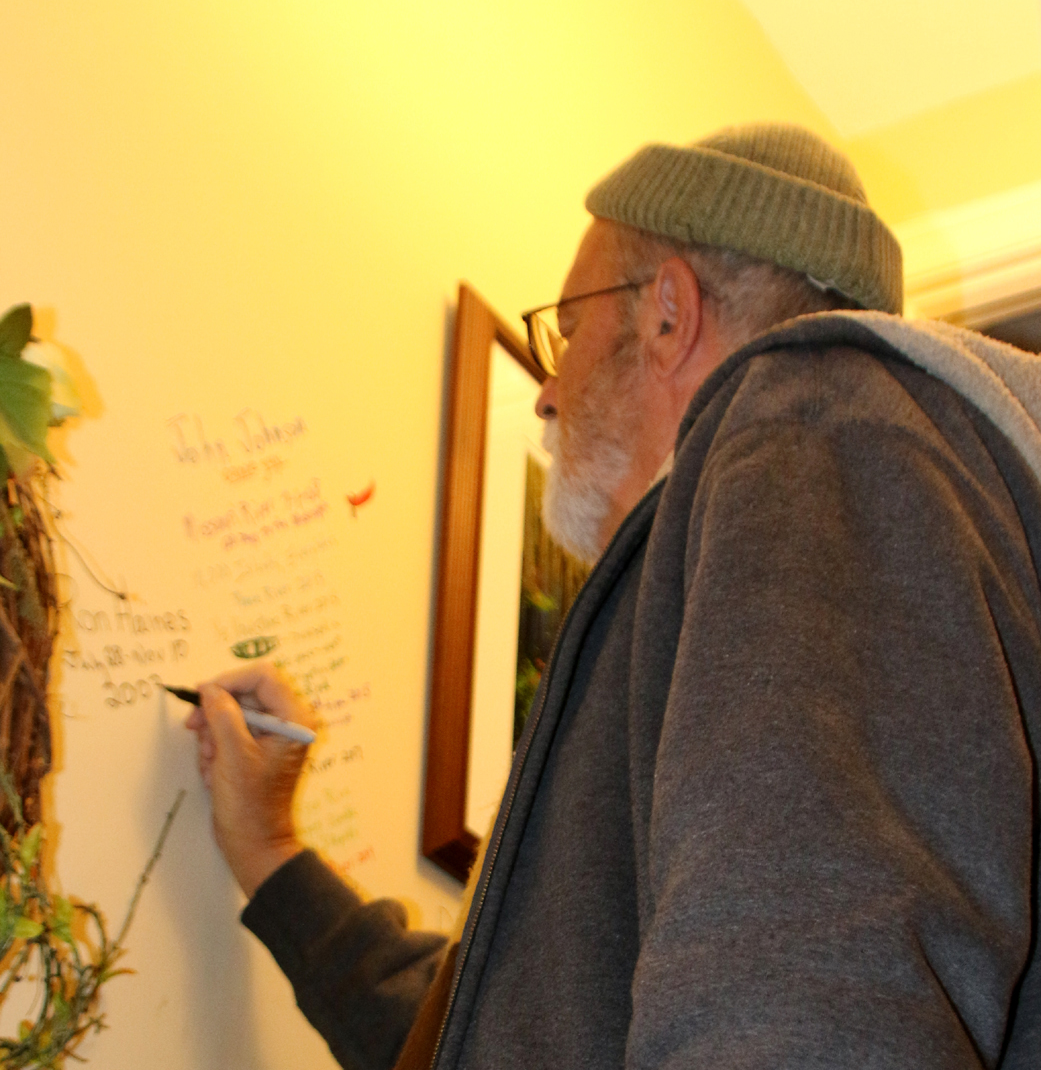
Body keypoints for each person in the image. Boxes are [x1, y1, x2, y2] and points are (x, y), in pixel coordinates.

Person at [187, 123, 1041, 1069]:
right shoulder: (759, 548)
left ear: (667, 314)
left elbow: (810, 1001)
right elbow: (494, 1038)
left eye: (567, 326)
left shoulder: (816, 422)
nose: (547, 392)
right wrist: (269, 851)